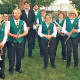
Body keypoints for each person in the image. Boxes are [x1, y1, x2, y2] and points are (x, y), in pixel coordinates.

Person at [8, 8, 28, 74]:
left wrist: (20, 35)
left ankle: (18, 68)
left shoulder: (23, 22)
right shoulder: (9, 22)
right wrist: (12, 35)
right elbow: (7, 32)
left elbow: (26, 32)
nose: (16, 14)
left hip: (20, 41)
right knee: (11, 57)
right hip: (11, 41)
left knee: (19, 56)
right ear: (13, 14)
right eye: (15, 13)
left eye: (18, 13)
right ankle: (11, 69)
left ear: (20, 14)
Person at [0, 14, 9, 79]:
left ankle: (2, 74)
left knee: (2, 59)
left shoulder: (4, 25)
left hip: (2, 45)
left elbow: (6, 36)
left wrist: (2, 43)